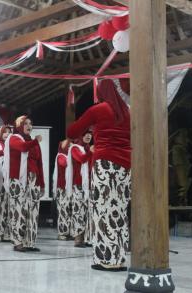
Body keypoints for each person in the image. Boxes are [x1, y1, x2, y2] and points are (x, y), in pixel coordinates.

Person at [67, 79, 131, 271]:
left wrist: (92, 126)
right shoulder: (127, 111)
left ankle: (106, 260)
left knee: (102, 211)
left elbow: (73, 131)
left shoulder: (98, 109)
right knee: (119, 210)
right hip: (126, 165)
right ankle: (119, 258)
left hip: (105, 163)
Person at [3, 115, 43, 252]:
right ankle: (17, 242)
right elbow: (22, 148)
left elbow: (39, 163)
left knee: (33, 212)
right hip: (18, 180)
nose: (28, 126)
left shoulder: (33, 142)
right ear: (19, 125)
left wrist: (41, 183)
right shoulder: (14, 138)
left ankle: (29, 242)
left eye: (30, 123)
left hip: (33, 180)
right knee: (18, 211)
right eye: (25, 123)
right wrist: (35, 142)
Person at [66, 131, 92, 248]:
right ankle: (78, 239)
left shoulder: (88, 149)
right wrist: (91, 152)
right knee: (78, 212)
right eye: (85, 133)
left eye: (90, 134)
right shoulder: (75, 148)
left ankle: (86, 239)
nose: (88, 136)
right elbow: (82, 159)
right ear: (80, 135)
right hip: (79, 185)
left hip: (89, 185)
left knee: (87, 213)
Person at [52, 140, 72, 241]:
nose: (69, 147)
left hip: (69, 188)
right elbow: (63, 164)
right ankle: (62, 233)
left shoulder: (69, 157)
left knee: (68, 211)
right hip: (62, 188)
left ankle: (69, 232)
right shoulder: (60, 156)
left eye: (70, 145)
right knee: (63, 211)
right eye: (67, 145)